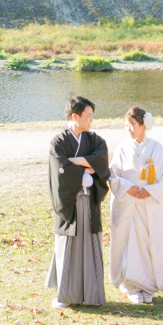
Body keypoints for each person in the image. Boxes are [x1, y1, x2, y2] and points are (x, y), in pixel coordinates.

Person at [108, 105, 163, 304]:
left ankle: (148, 286)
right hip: (129, 204)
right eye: (126, 125)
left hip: (149, 204)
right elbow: (112, 175)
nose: (129, 129)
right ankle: (132, 286)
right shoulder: (122, 149)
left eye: (132, 125)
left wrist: (151, 190)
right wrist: (128, 188)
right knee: (131, 244)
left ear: (143, 125)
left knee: (149, 243)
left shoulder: (157, 148)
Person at [46, 94, 110, 308]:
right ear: (75, 116)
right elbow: (61, 171)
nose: (91, 120)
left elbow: (102, 163)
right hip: (70, 203)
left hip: (89, 202)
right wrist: (87, 168)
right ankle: (66, 296)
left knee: (90, 245)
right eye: (88, 116)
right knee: (68, 246)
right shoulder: (58, 142)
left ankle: (93, 295)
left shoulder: (95, 140)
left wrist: (76, 162)